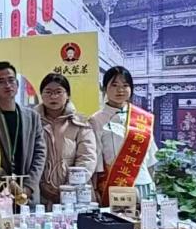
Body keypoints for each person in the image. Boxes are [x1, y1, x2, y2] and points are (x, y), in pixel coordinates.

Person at [90, 65, 158, 204]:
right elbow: (96, 160)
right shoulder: (96, 120)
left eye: (125, 85)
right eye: (114, 85)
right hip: (116, 185)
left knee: (148, 218)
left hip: (144, 184)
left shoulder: (143, 118)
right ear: (104, 88)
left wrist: (153, 183)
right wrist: (95, 189)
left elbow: (151, 158)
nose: (120, 90)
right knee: (120, 218)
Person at [0, 61, 46, 204]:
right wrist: (9, 184)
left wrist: (28, 187)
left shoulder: (32, 116)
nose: (7, 85)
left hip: (28, 194)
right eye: (1, 81)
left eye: (11, 80)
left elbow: (40, 153)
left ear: (17, 84)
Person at [35, 73, 97, 204]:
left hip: (76, 193)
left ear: (68, 95)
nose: (53, 96)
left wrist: (68, 188)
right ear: (41, 95)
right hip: (40, 193)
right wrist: (40, 184)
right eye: (48, 92)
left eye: (59, 92)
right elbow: (27, 159)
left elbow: (87, 158)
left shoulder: (80, 123)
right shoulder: (31, 121)